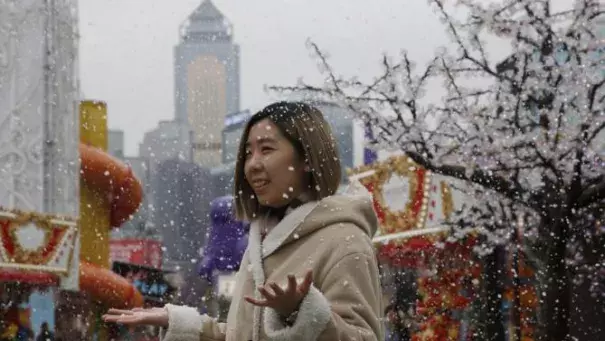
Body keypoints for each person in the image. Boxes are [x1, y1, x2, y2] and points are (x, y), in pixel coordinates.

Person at [103, 101, 384, 341]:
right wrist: (179, 321)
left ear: (307, 158)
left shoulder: (345, 241)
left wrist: (304, 311)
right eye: (248, 152)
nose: (252, 164)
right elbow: (246, 334)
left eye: (267, 149)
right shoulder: (262, 241)